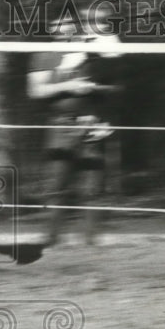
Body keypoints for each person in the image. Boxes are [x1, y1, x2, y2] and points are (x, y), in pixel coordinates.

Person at [28, 27, 124, 245]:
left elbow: (115, 87)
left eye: (70, 25)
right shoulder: (43, 54)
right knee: (56, 185)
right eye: (59, 25)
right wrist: (70, 85)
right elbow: (36, 91)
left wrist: (103, 115)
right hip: (60, 126)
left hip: (93, 124)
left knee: (92, 187)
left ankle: (89, 242)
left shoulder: (94, 53)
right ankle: (51, 241)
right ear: (52, 28)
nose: (65, 30)